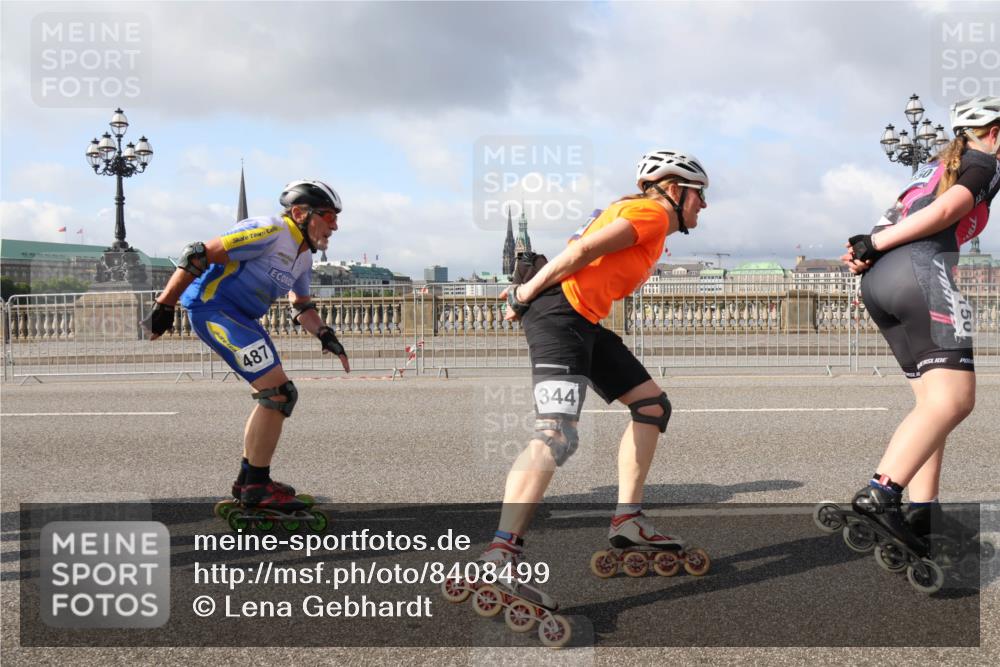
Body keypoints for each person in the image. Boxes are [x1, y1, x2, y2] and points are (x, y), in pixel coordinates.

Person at [483, 149, 710, 569]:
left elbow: (583, 254)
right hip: (560, 316)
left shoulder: (640, 216)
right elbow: (581, 252)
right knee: (556, 435)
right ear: (675, 190)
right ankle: (501, 551)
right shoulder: (652, 214)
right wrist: (525, 292)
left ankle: (628, 518)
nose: (704, 204)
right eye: (699, 194)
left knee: (652, 406)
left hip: (583, 321)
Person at [842, 96, 1000, 551]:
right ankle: (881, 495)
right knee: (954, 401)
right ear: (994, 132)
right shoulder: (985, 163)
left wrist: (866, 248)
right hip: (921, 272)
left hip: (880, 283)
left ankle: (923, 511)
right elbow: (947, 211)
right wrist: (875, 242)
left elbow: (891, 219)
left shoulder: (931, 167)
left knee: (932, 407)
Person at [142, 179, 350, 512]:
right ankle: (256, 484)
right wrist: (165, 305)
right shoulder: (269, 231)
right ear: (299, 212)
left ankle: (250, 479)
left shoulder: (303, 258)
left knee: (281, 395)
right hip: (214, 310)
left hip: (243, 318)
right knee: (277, 393)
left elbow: (302, 306)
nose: (334, 226)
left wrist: (326, 335)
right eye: (327, 216)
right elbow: (197, 253)